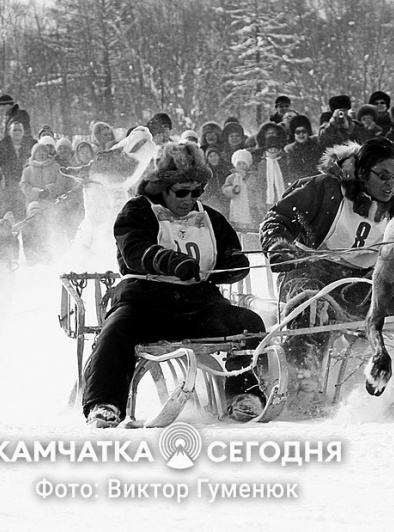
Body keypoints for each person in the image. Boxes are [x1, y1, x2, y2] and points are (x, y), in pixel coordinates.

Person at [82, 141, 262, 427]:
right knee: (115, 332)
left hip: (197, 306)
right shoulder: (137, 211)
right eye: (182, 191)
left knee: (248, 322)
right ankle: (105, 403)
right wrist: (171, 261)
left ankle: (242, 394)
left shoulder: (210, 217)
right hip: (145, 303)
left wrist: (233, 265)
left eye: (196, 191)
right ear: (162, 187)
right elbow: (134, 250)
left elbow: (230, 255)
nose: (190, 198)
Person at [260, 138, 394, 414]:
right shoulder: (325, 189)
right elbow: (277, 219)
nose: (391, 185)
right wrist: (279, 247)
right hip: (306, 270)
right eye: (383, 176)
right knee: (312, 306)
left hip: (360, 282)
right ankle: (303, 383)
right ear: (362, 174)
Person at [284, 114, 322, 183]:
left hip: (317, 181)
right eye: (298, 132)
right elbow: (292, 171)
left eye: (304, 131)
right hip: (300, 183)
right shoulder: (290, 149)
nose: (301, 135)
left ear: (308, 132)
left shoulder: (316, 144)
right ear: (294, 134)